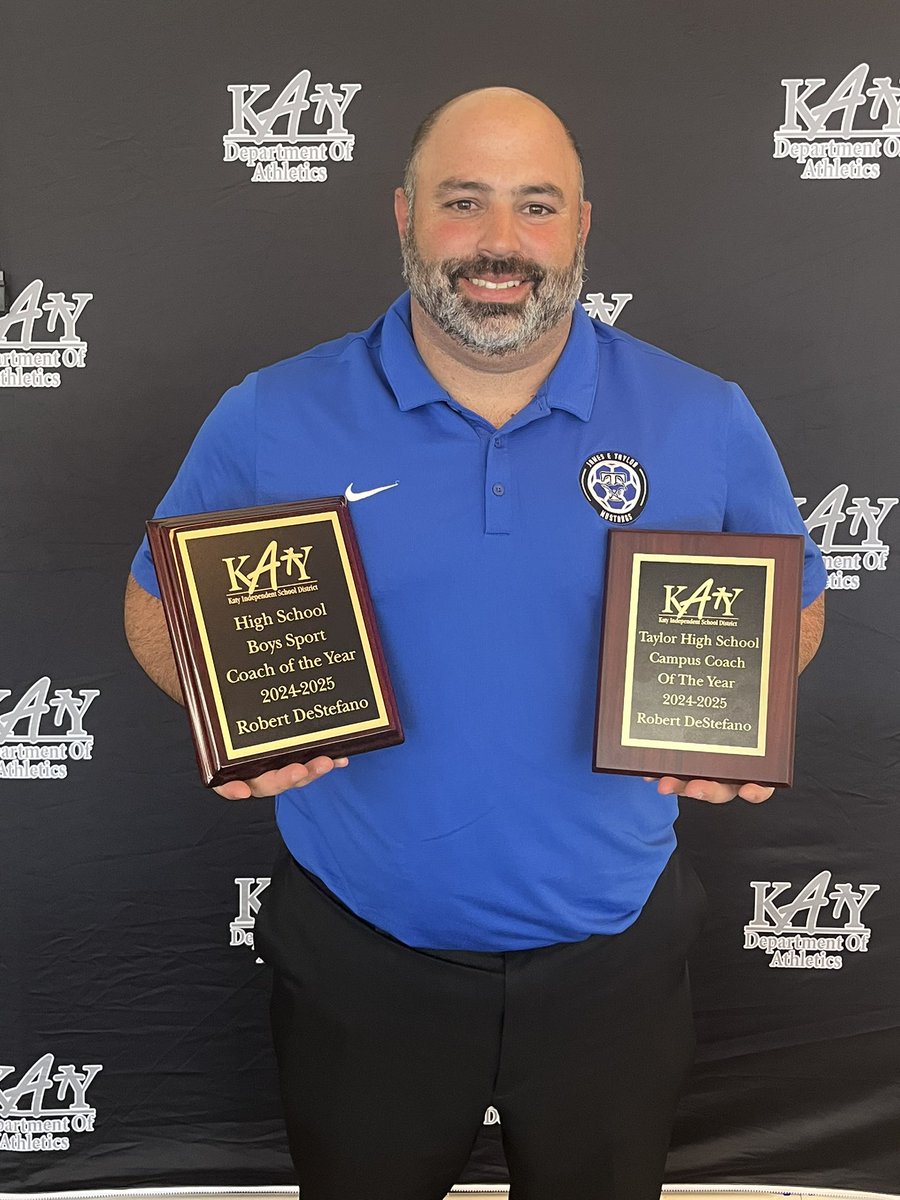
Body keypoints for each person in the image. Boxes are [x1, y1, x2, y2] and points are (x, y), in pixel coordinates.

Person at [125, 88, 826, 1200]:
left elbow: (796, 597)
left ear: (582, 226)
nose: (501, 244)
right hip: (362, 959)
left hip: (616, 960)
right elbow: (158, 602)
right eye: (465, 203)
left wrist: (733, 711)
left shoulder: (704, 415)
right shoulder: (271, 413)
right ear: (403, 215)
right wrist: (225, 706)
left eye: (535, 207)